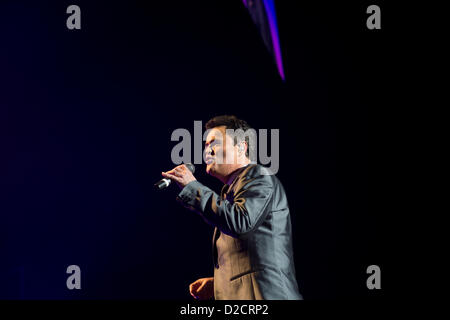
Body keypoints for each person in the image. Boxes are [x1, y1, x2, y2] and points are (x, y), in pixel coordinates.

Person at [162, 115, 302, 300]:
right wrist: (219, 285)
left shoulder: (258, 175)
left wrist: (192, 186)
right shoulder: (232, 191)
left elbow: (241, 222)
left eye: (215, 143)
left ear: (241, 147)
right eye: (205, 145)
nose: (207, 151)